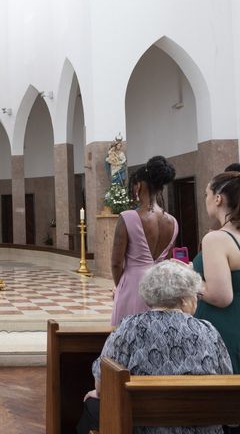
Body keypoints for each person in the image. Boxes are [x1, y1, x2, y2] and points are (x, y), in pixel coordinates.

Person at [77, 260, 232, 434]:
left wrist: (98, 393)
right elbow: (226, 383)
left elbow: (102, 382)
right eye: (196, 295)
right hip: (202, 428)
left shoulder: (128, 328)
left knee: (92, 405)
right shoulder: (208, 330)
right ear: (183, 299)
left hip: (143, 427)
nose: (197, 300)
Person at [111, 155, 178, 325]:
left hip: (133, 287)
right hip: (158, 288)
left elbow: (116, 263)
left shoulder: (128, 217)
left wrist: (121, 287)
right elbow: (168, 261)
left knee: (126, 341)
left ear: (138, 185)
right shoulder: (172, 222)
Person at [194, 171, 240, 374]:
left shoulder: (216, 239)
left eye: (206, 194)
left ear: (218, 198)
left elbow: (221, 296)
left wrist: (187, 278)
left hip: (224, 329)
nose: (206, 200)